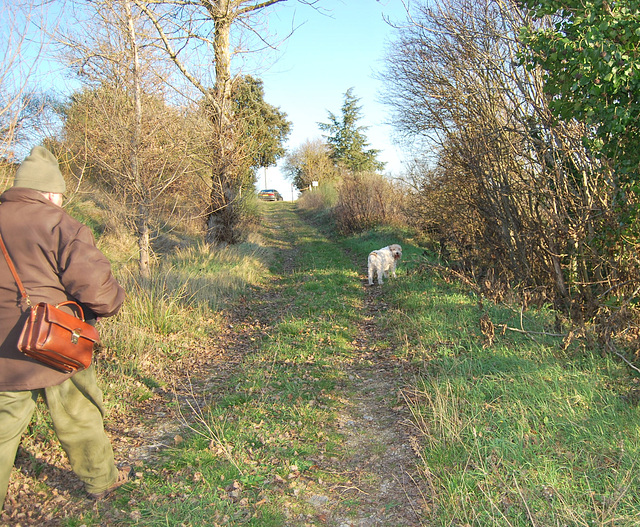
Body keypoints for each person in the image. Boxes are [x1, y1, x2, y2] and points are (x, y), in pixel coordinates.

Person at [0, 146, 129, 510]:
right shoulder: (58, 223)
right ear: (50, 191)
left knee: (3, 427)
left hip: (2, 352)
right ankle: (102, 481)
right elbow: (95, 288)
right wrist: (114, 301)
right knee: (78, 413)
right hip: (54, 342)